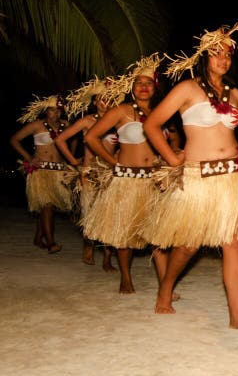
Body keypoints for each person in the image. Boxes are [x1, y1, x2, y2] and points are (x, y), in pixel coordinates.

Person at [141, 22, 238, 335]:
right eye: (216, 53)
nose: (223, 59)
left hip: (232, 176)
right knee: (190, 245)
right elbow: (152, 124)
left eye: (227, 54)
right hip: (198, 175)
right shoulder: (187, 89)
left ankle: (237, 315)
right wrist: (172, 158)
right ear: (203, 57)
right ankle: (166, 285)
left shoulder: (234, 94)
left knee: (233, 243)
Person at [82, 53, 170, 294]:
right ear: (132, 88)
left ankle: (165, 285)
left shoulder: (161, 114)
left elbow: (167, 146)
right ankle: (126, 278)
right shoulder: (121, 111)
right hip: (127, 180)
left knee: (159, 235)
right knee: (126, 233)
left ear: (155, 87)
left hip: (153, 181)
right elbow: (91, 137)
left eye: (148, 83)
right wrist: (112, 162)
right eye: (139, 83)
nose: (143, 87)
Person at [56, 77, 122, 269]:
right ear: (94, 102)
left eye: (110, 99)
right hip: (90, 172)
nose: (106, 102)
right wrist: (73, 160)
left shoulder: (118, 123)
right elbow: (60, 140)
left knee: (109, 214)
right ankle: (88, 244)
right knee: (91, 212)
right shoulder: (87, 121)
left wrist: (120, 154)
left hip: (110, 172)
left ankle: (108, 256)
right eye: (102, 99)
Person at [10, 94, 74, 253]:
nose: (56, 114)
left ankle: (38, 237)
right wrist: (29, 158)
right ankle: (51, 242)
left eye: (59, 111)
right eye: (52, 110)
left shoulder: (65, 125)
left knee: (49, 208)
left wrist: (69, 159)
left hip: (58, 170)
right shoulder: (36, 125)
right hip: (41, 170)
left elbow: (74, 140)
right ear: (46, 111)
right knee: (47, 206)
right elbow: (14, 140)